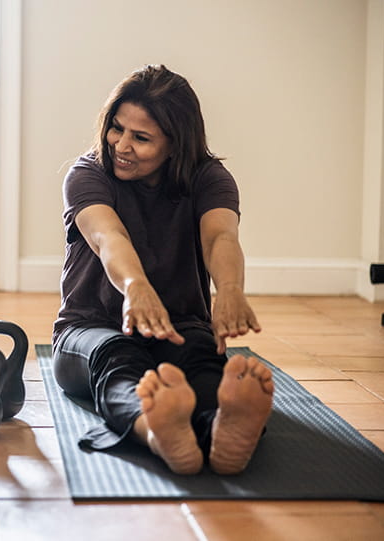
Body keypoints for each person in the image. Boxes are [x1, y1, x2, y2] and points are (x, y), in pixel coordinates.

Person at [52, 65, 274, 475]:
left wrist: (229, 290)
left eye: (141, 138)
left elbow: (220, 237)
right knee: (116, 356)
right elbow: (107, 237)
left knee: (202, 358)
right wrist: (135, 285)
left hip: (177, 325)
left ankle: (223, 430)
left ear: (175, 145)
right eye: (116, 128)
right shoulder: (86, 173)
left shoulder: (209, 177)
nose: (120, 144)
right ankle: (155, 431)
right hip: (90, 330)